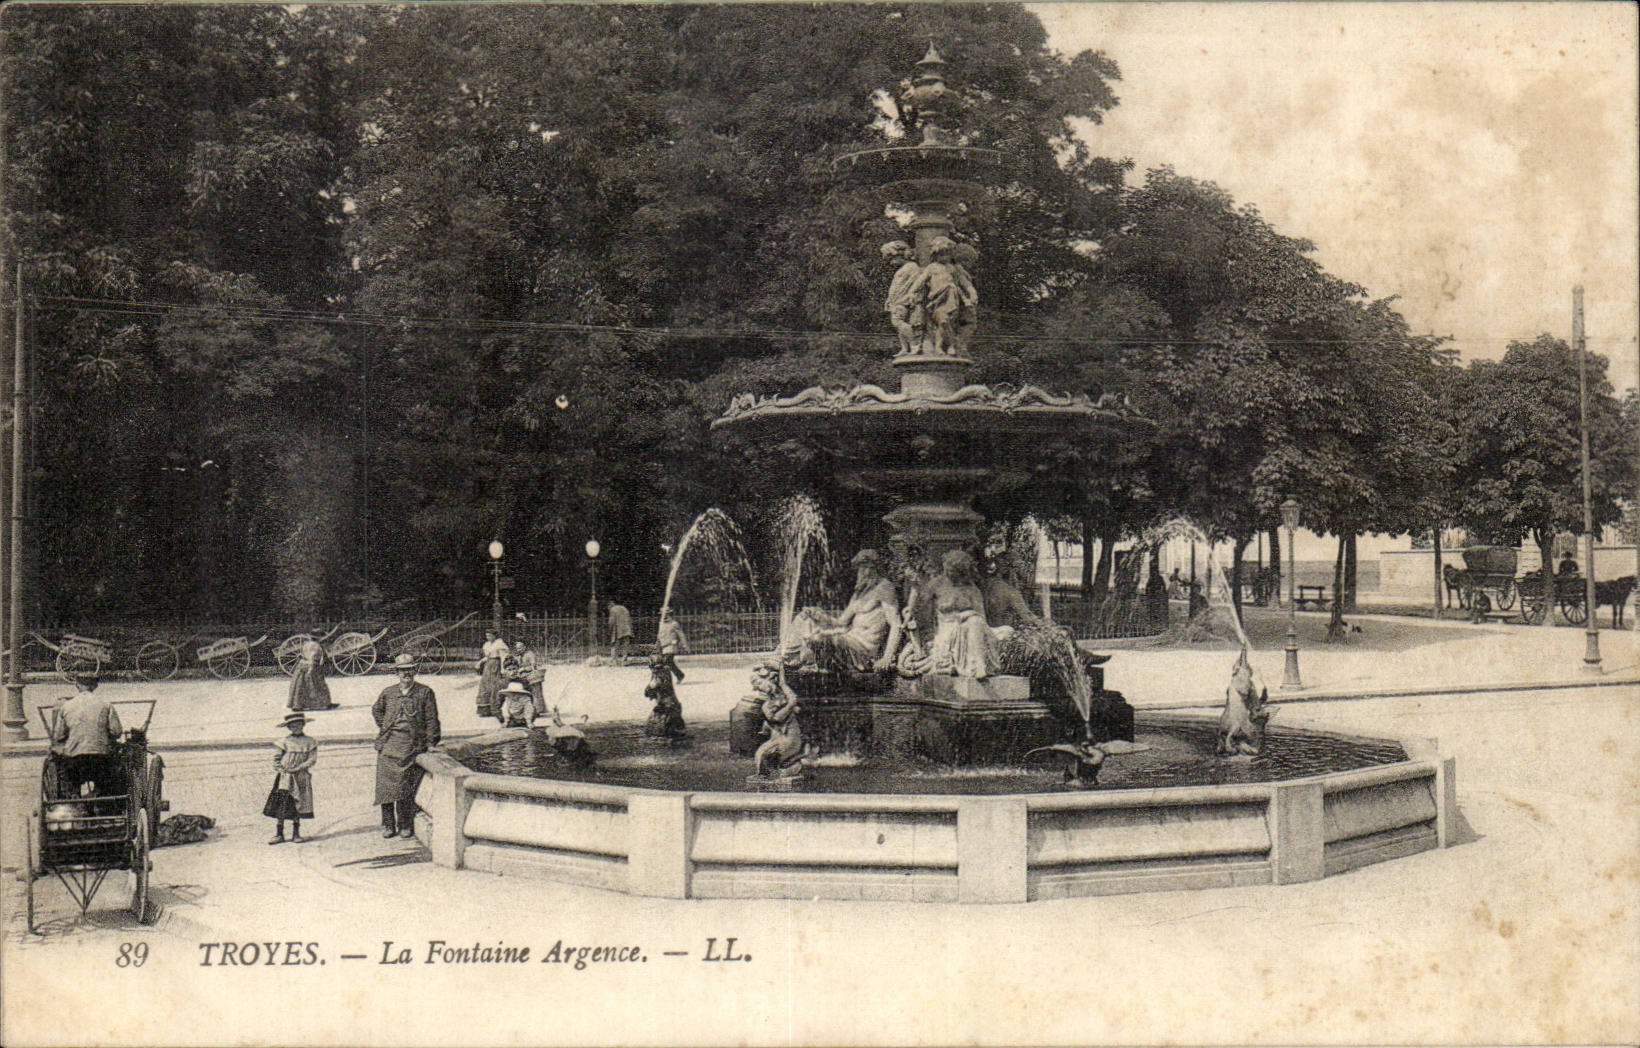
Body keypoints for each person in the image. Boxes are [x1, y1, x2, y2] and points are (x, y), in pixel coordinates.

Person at [781, 548, 903, 673]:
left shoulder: (884, 587)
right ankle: (788, 660)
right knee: (804, 619)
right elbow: (841, 622)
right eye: (862, 568)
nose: (865, 572)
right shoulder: (860, 592)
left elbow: (896, 624)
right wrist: (819, 615)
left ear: (877, 569)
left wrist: (887, 657)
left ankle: (800, 663)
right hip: (848, 640)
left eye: (870, 568)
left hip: (863, 650)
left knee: (819, 639)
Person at [373, 653, 441, 839]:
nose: (406, 674)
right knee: (385, 788)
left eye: (410, 670)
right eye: (402, 671)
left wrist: (430, 743)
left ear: (414, 671)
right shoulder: (389, 693)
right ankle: (388, 824)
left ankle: (405, 824)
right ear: (397, 672)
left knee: (406, 787)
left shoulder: (424, 692)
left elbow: (431, 719)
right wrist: (386, 726)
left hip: (411, 745)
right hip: (389, 744)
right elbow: (377, 710)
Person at [923, 550, 1009, 679]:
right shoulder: (935, 585)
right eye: (947, 569)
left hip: (969, 629)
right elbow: (924, 615)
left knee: (983, 623)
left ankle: (977, 666)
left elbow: (982, 619)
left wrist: (969, 614)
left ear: (961, 571)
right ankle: (978, 666)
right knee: (974, 622)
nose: (948, 573)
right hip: (946, 631)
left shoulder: (972, 590)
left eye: (953, 570)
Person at [49, 674, 122, 797]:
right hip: (101, 760)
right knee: (113, 767)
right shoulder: (106, 705)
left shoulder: (66, 706)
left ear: (77, 685)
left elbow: (58, 736)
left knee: (64, 768)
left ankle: (73, 797)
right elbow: (117, 731)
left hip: (74, 761)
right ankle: (103, 798)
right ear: (95, 686)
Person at [264, 712, 317, 845]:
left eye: (299, 724)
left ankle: (296, 833)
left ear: (303, 725)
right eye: (293, 725)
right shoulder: (284, 742)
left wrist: (299, 768)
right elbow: (276, 760)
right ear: (288, 727)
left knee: (298, 804)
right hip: (285, 777)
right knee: (282, 804)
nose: (296, 727)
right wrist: (283, 770)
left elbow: (312, 759)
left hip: (301, 777)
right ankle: (279, 833)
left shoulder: (310, 742)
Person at [643, 655, 687, 738]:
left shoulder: (658, 674)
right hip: (674, 706)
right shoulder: (666, 672)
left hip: (665, 709)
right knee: (678, 734)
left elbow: (650, 689)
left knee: (656, 734)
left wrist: (648, 691)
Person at [287, 636, 334, 712]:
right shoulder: (316, 646)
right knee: (318, 685)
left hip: (301, 665)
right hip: (312, 666)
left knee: (300, 686)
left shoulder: (305, 644)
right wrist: (311, 668)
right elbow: (313, 657)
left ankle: (297, 704)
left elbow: (302, 655)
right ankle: (323, 703)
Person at [475, 629, 508, 721]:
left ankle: (495, 708)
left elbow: (503, 657)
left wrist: (502, 669)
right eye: (487, 635)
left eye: (490, 635)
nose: (488, 637)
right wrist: (480, 662)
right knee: (485, 686)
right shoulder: (487, 645)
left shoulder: (499, 644)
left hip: (496, 666)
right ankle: (485, 709)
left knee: (494, 686)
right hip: (488, 666)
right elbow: (487, 657)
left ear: (494, 636)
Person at [513, 641, 545, 720]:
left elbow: (533, 666)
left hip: (531, 676)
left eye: (520, 648)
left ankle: (537, 710)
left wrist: (524, 669)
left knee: (535, 694)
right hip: (523, 677)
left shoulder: (530, 654)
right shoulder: (518, 656)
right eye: (517, 648)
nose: (518, 650)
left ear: (524, 647)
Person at [656, 610, 687, 683]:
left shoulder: (674, 624)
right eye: (662, 615)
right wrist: (658, 644)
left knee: (667, 661)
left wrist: (684, 644)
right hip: (663, 646)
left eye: (666, 615)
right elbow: (659, 635)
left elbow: (680, 634)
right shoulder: (661, 624)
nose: (664, 616)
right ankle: (679, 675)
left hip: (671, 646)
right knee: (668, 663)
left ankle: (665, 680)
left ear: (669, 614)